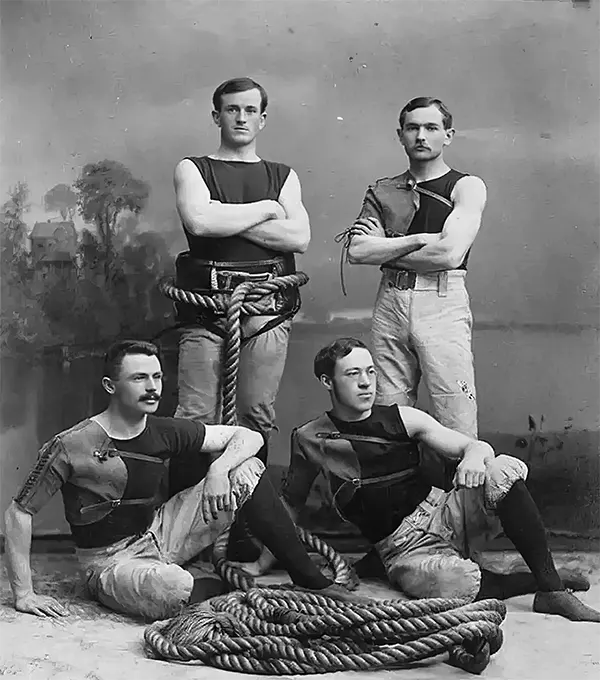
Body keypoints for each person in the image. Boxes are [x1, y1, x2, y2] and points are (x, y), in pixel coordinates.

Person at [244, 338, 600, 622]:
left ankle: (552, 590)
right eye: (353, 374)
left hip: (445, 510)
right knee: (451, 585)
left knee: (502, 469)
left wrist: (475, 457)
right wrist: (263, 562)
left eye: (370, 371)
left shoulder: (404, 417)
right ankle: (532, 578)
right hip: (402, 545)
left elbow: (472, 446)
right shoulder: (309, 437)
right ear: (327, 381)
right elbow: (290, 503)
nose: (366, 382)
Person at [3, 340, 355, 622]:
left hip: (160, 532)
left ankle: (309, 580)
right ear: (111, 385)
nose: (153, 387)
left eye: (157, 377)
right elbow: (19, 511)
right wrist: (24, 594)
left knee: (244, 469)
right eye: (139, 378)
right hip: (108, 562)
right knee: (172, 586)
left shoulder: (164, 429)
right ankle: (222, 594)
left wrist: (219, 470)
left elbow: (249, 438)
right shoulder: (71, 444)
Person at [169, 77, 310, 495]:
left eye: (251, 110)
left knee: (257, 417)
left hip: (268, 309)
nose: (241, 117)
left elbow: (298, 239)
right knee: (196, 416)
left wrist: (225, 216)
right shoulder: (193, 168)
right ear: (217, 115)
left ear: (263, 119)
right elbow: (199, 223)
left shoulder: (282, 175)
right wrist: (268, 211)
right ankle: (183, 524)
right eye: (232, 109)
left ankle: (247, 526)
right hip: (207, 307)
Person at [344, 97, 485, 446]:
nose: (421, 136)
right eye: (413, 128)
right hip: (390, 301)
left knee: (455, 411)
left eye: (431, 128)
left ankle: (459, 499)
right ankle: (400, 498)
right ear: (401, 135)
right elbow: (358, 250)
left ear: (447, 135)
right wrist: (422, 239)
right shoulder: (384, 190)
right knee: (388, 411)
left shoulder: (465, 186)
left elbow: (450, 254)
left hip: (442, 300)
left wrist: (387, 248)